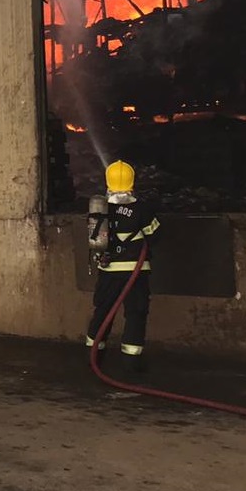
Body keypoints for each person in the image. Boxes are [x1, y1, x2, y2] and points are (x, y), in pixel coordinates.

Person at [86, 159, 160, 371]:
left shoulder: (100, 209)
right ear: (132, 181)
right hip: (135, 274)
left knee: (102, 311)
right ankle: (131, 363)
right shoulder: (141, 208)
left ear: (107, 182)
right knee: (135, 314)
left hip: (108, 271)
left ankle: (93, 356)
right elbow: (155, 236)